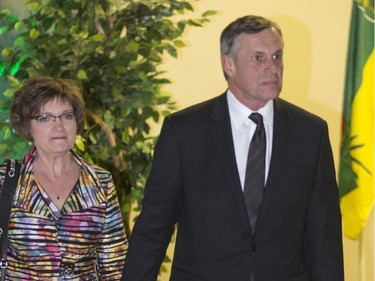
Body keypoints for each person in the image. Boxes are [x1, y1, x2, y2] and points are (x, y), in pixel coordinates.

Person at [122, 15, 344, 281]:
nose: (272, 67)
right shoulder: (183, 131)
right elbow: (153, 229)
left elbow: (324, 236)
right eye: (258, 58)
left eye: (277, 56)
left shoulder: (311, 132)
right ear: (228, 64)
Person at [0, 76, 128, 280]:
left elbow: (115, 263)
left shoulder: (100, 182)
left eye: (66, 116)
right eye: (45, 118)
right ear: (27, 125)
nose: (58, 126)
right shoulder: (5, 180)